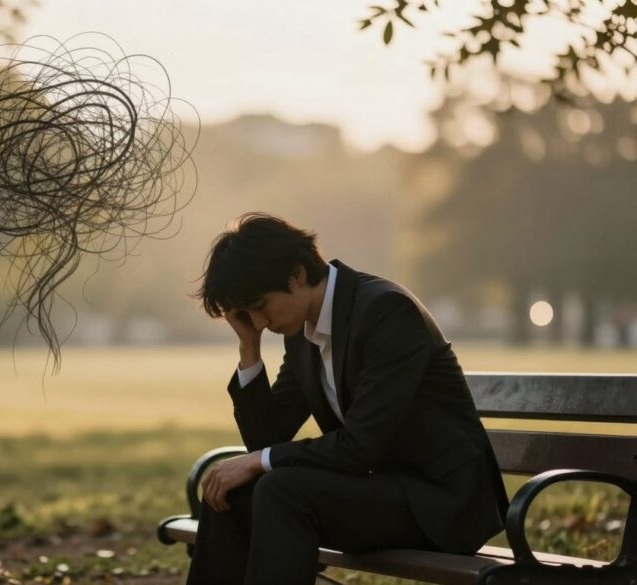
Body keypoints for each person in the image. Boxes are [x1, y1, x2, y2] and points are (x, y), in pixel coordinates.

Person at [186, 213, 508, 585]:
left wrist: (259, 460)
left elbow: (360, 446)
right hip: (379, 490)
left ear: (296, 274)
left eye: (259, 306)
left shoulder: (386, 311)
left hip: (440, 503)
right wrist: (249, 347)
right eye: (247, 314)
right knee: (229, 490)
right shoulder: (302, 333)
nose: (258, 322)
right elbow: (267, 440)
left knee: (281, 489)